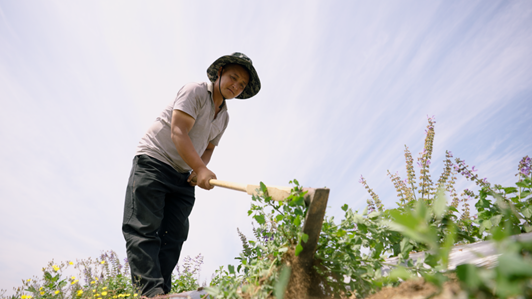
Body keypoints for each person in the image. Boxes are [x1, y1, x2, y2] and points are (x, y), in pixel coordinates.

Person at [122, 52, 261, 297]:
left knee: (174, 236)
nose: (236, 86)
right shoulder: (195, 91)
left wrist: (199, 170)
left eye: (242, 85)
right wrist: (200, 168)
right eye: (233, 78)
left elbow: (207, 148)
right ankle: (150, 293)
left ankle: (162, 292)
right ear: (219, 73)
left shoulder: (224, 116)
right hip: (154, 162)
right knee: (144, 229)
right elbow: (178, 131)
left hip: (183, 174)